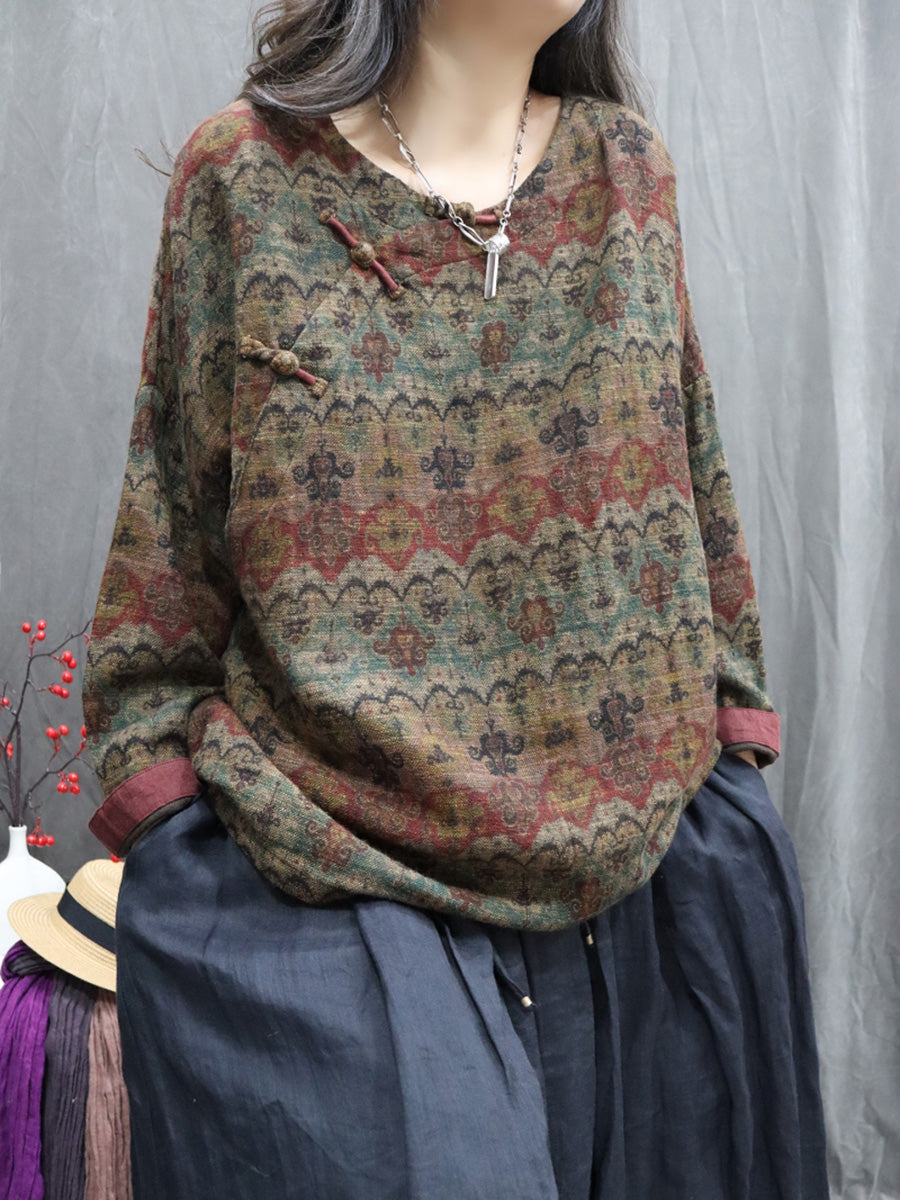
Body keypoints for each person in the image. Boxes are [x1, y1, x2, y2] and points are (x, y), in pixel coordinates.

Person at [82, 0, 830, 1196]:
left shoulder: (626, 171)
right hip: (333, 883)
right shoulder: (245, 174)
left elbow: (692, 472)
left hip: (652, 884)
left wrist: (732, 748)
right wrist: (166, 824)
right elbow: (167, 534)